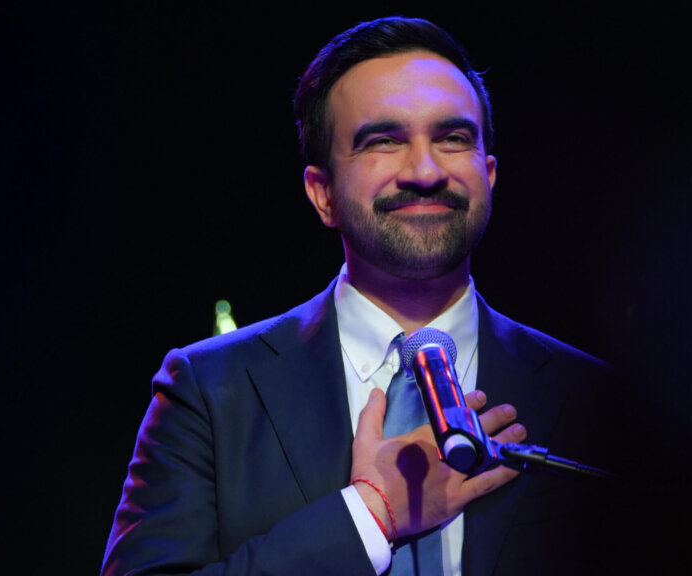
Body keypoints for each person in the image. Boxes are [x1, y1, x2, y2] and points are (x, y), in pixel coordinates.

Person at [102, 16, 618, 576]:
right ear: (322, 193)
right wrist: (369, 517)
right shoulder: (210, 390)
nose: (425, 171)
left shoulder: (599, 401)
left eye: (452, 138)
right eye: (383, 141)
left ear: (489, 176)